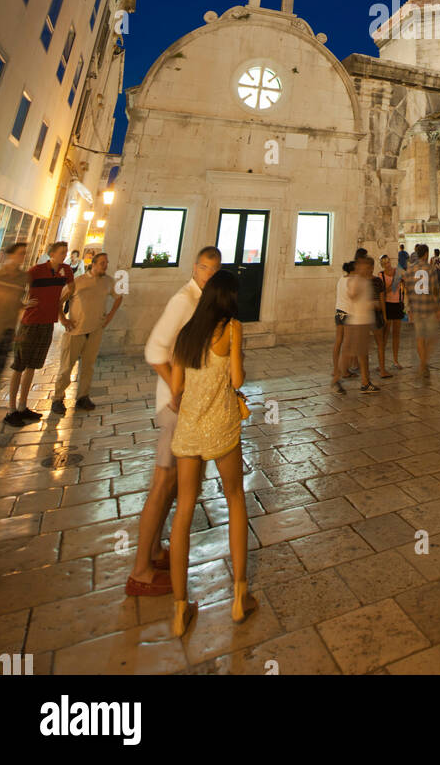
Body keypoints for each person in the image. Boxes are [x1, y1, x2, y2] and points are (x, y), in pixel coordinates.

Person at [125, 246, 222, 598]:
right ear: (195, 268)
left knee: (172, 485)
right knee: (164, 481)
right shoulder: (184, 300)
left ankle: (152, 550)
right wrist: (177, 390)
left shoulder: (201, 302)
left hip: (186, 406)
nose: (209, 275)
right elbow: (153, 350)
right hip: (175, 407)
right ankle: (140, 572)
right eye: (205, 268)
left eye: (215, 270)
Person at [169, 269, 257, 635]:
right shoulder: (233, 328)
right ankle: (239, 596)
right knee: (235, 498)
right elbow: (237, 380)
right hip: (221, 426)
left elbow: (175, 390)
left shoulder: (186, 334)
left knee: (184, 510)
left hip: (188, 430)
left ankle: (178, 609)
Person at [5, 242, 74, 427]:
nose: (64, 255)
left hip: (47, 323)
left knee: (33, 365)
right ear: (51, 254)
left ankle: (22, 405)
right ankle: (11, 409)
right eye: (61, 252)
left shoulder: (66, 270)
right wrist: (22, 305)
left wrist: (60, 304)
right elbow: (15, 289)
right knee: (19, 365)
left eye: (65, 252)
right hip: (30, 322)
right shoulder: (36, 270)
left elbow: (72, 288)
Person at [50, 253, 122, 413]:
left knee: (88, 365)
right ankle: (58, 398)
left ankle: (83, 396)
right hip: (76, 330)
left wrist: (110, 316)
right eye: (102, 263)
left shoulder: (108, 281)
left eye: (107, 263)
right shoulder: (78, 282)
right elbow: (59, 301)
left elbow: (118, 297)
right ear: (93, 264)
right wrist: (63, 319)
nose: (105, 265)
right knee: (67, 366)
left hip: (95, 330)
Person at [0, 242, 31, 445]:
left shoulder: (22, 279)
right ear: (9, 255)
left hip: (5, 336)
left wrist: (15, 333)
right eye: (21, 254)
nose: (23, 257)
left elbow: (14, 305)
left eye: (25, 254)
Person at [405, 243, 440, 381]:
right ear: (426, 254)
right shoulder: (430, 268)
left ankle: (423, 364)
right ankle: (423, 364)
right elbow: (434, 290)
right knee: (432, 337)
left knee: (420, 338)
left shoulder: (410, 269)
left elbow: (408, 290)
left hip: (416, 309)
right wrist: (438, 307)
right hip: (429, 308)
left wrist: (409, 309)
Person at [344, 254, 380, 392]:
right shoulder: (357, 280)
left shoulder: (362, 280)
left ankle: (365, 380)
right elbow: (352, 295)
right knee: (356, 353)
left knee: (362, 353)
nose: (370, 270)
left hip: (363, 321)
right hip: (359, 321)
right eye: (368, 266)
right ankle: (339, 377)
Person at [366, 255, 393, 381]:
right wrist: (385, 316)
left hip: (365, 315)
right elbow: (382, 300)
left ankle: (365, 370)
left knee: (365, 344)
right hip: (375, 314)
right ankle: (382, 370)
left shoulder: (361, 281)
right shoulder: (377, 281)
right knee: (380, 343)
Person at [331, 260, 353, 394]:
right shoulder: (351, 281)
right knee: (347, 344)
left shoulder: (341, 279)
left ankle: (335, 369)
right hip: (348, 313)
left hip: (339, 312)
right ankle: (342, 371)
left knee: (338, 341)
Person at [380, 253, 405, 369]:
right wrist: (394, 284)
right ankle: (382, 361)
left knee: (396, 334)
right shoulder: (381, 276)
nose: (387, 265)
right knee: (385, 334)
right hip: (388, 305)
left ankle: (396, 360)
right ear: (382, 265)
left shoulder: (398, 271)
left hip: (398, 304)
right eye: (384, 263)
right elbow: (382, 292)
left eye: (388, 262)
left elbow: (405, 283)